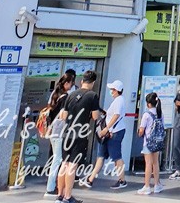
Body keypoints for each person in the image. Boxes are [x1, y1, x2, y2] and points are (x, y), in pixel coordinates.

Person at [57, 70, 101, 203]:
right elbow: (95, 116)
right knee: (72, 166)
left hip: (67, 133)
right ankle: (68, 196)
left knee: (64, 164)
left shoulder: (71, 95)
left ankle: (59, 195)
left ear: (82, 81)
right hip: (80, 134)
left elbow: (63, 116)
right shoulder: (93, 96)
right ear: (93, 83)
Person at [79, 80, 127, 190]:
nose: (111, 91)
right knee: (101, 156)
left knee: (116, 157)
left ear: (117, 90)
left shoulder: (119, 101)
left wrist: (106, 128)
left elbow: (116, 115)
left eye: (113, 89)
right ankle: (90, 179)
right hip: (110, 132)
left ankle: (122, 180)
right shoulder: (117, 101)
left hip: (114, 132)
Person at [42, 73, 74, 198]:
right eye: (70, 83)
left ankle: (52, 185)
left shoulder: (54, 94)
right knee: (58, 160)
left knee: (56, 159)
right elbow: (63, 115)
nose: (71, 85)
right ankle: (51, 187)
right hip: (59, 131)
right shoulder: (65, 97)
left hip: (52, 131)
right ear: (66, 83)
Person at [138, 92, 165, 195]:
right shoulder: (160, 114)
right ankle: (157, 184)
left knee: (148, 164)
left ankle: (147, 186)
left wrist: (139, 132)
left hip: (148, 142)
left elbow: (141, 130)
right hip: (157, 142)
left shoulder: (146, 115)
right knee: (155, 163)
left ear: (149, 104)